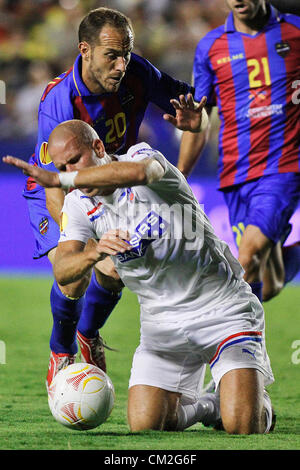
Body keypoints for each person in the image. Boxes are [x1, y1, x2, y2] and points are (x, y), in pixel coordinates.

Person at [3, 119, 276, 434]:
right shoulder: (79, 205)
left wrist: (61, 178)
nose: (70, 175)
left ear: (99, 147)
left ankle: (247, 402)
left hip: (222, 308)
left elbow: (140, 173)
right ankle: (211, 404)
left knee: (242, 426)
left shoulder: (141, 157)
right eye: (63, 166)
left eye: (74, 161)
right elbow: (63, 271)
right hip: (161, 323)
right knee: (147, 425)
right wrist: (92, 254)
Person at [23, 7, 205, 388]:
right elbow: (56, 182)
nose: (121, 64)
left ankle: (88, 333)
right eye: (111, 56)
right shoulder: (59, 101)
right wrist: (79, 238)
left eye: (126, 52)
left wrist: (182, 174)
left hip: (114, 185)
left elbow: (196, 113)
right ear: (84, 50)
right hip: (54, 188)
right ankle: (62, 353)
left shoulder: (137, 72)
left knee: (116, 267)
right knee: (76, 271)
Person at [177, 1, 300, 304]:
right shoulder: (211, 46)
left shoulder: (295, 30)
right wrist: (178, 178)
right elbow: (201, 117)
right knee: (265, 285)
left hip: (283, 166)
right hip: (236, 171)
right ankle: (289, 252)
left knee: (246, 258)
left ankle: (246, 350)